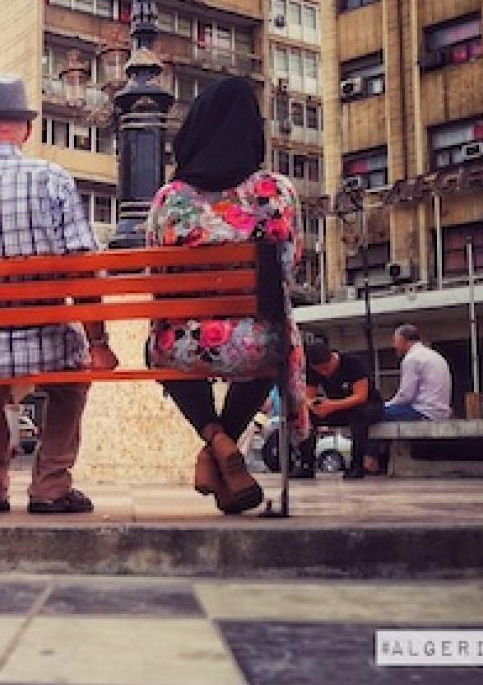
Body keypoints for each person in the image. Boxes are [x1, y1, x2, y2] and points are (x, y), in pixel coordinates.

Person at [0, 73, 117, 515]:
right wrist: (99, 344)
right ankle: (50, 486)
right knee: (69, 386)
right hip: (47, 340)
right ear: (26, 130)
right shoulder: (52, 180)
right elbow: (81, 268)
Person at [145, 77, 305, 512]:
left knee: (161, 347)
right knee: (267, 344)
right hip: (257, 343)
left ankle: (214, 440)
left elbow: (156, 275)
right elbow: (289, 267)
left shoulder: (169, 199)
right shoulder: (276, 191)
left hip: (182, 347)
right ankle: (225, 444)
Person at [303, 335, 382, 479]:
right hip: (337, 406)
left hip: (367, 405)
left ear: (332, 358)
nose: (324, 373)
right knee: (306, 416)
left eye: (326, 368)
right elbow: (308, 396)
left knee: (359, 415)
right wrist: (313, 405)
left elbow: (361, 396)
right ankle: (305, 464)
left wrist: (332, 405)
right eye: (319, 370)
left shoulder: (353, 363)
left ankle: (357, 465)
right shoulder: (314, 370)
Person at [385, 325, 452, 421]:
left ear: (403, 340)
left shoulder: (412, 358)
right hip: (441, 412)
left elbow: (406, 396)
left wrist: (387, 405)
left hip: (423, 412)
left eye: (395, 341)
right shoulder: (434, 355)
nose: (394, 346)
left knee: (374, 413)